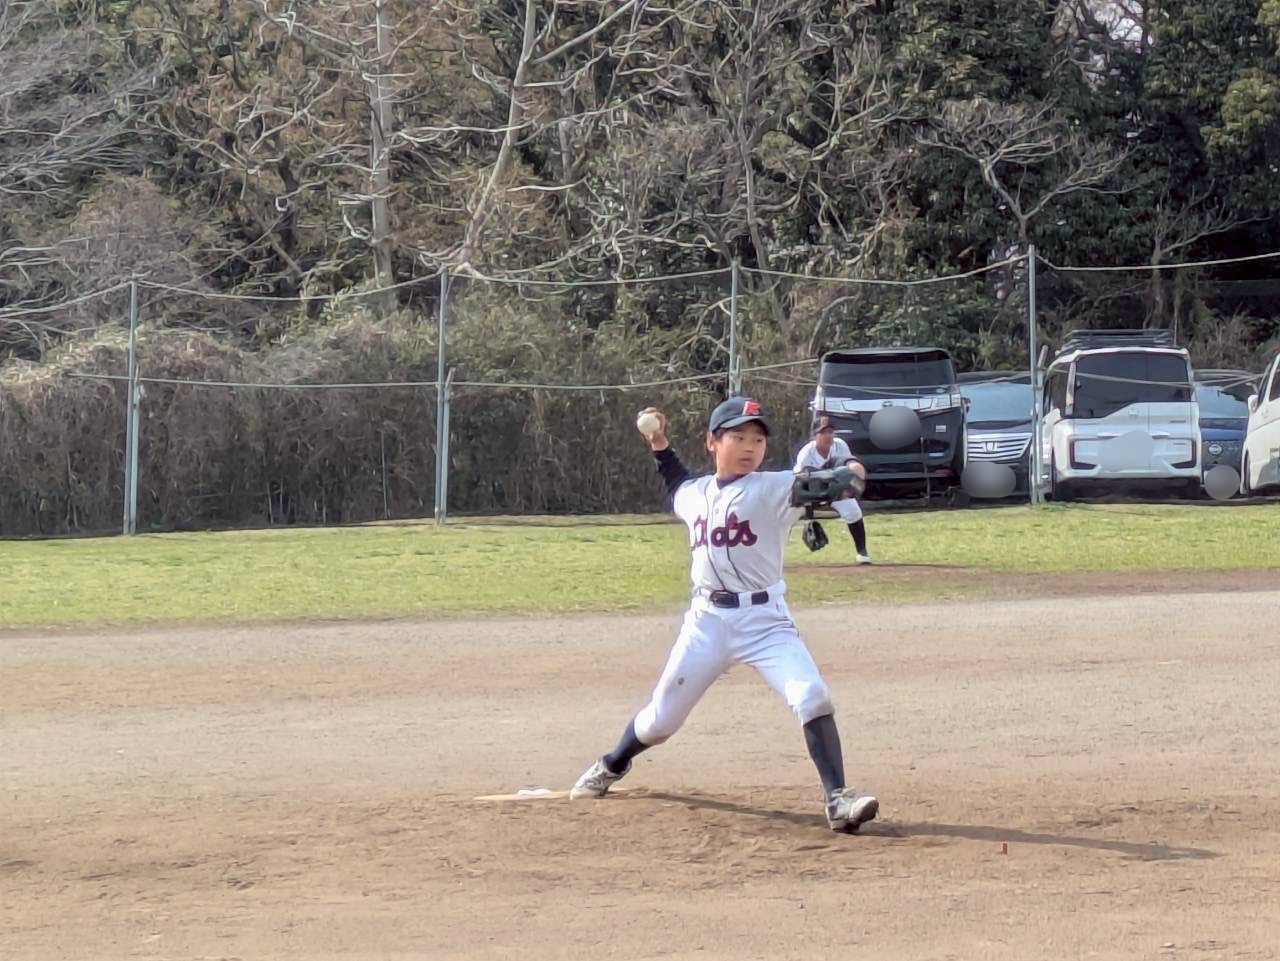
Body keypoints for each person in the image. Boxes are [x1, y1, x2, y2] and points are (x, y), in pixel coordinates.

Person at [568, 396, 880, 833]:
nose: (750, 446)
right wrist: (658, 442)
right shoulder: (694, 494)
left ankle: (838, 800)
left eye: (758, 439)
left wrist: (852, 470)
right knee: (660, 722)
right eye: (739, 437)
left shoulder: (776, 487)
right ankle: (612, 763)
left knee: (812, 695)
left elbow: (838, 483)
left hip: (765, 621)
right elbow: (674, 481)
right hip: (707, 623)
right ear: (712, 442)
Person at [792, 416, 871, 564]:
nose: (828, 435)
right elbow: (800, 483)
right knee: (788, 514)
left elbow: (847, 473)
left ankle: (862, 552)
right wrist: (809, 519)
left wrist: (848, 491)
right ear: (814, 436)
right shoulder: (806, 454)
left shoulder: (840, 446)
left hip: (834, 490)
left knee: (853, 511)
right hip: (809, 492)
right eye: (823, 432)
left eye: (830, 431)